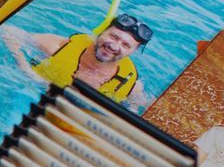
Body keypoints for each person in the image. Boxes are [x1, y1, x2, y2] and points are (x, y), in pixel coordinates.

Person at [14, 13, 154, 108]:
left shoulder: (131, 86)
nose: (114, 46)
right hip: (33, 97)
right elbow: (10, 33)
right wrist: (25, 69)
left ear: (133, 51)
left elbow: (140, 108)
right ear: (101, 31)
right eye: (113, 37)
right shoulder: (59, 47)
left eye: (126, 45)